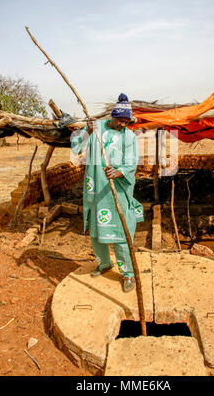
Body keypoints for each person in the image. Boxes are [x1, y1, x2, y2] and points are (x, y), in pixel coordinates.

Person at [71, 93, 144, 293]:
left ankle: (128, 274)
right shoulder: (97, 127)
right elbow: (77, 147)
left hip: (116, 190)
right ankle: (104, 264)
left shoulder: (128, 135)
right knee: (96, 231)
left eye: (126, 121)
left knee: (120, 233)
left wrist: (119, 172)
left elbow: (131, 163)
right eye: (120, 120)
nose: (123, 124)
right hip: (95, 186)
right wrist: (87, 130)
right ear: (112, 117)